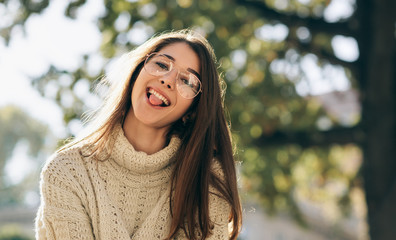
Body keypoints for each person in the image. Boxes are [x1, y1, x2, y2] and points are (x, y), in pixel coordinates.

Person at [35, 29, 242, 240]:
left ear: (193, 110)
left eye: (187, 81)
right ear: (136, 73)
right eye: (162, 65)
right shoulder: (67, 170)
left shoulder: (206, 180)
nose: (168, 80)